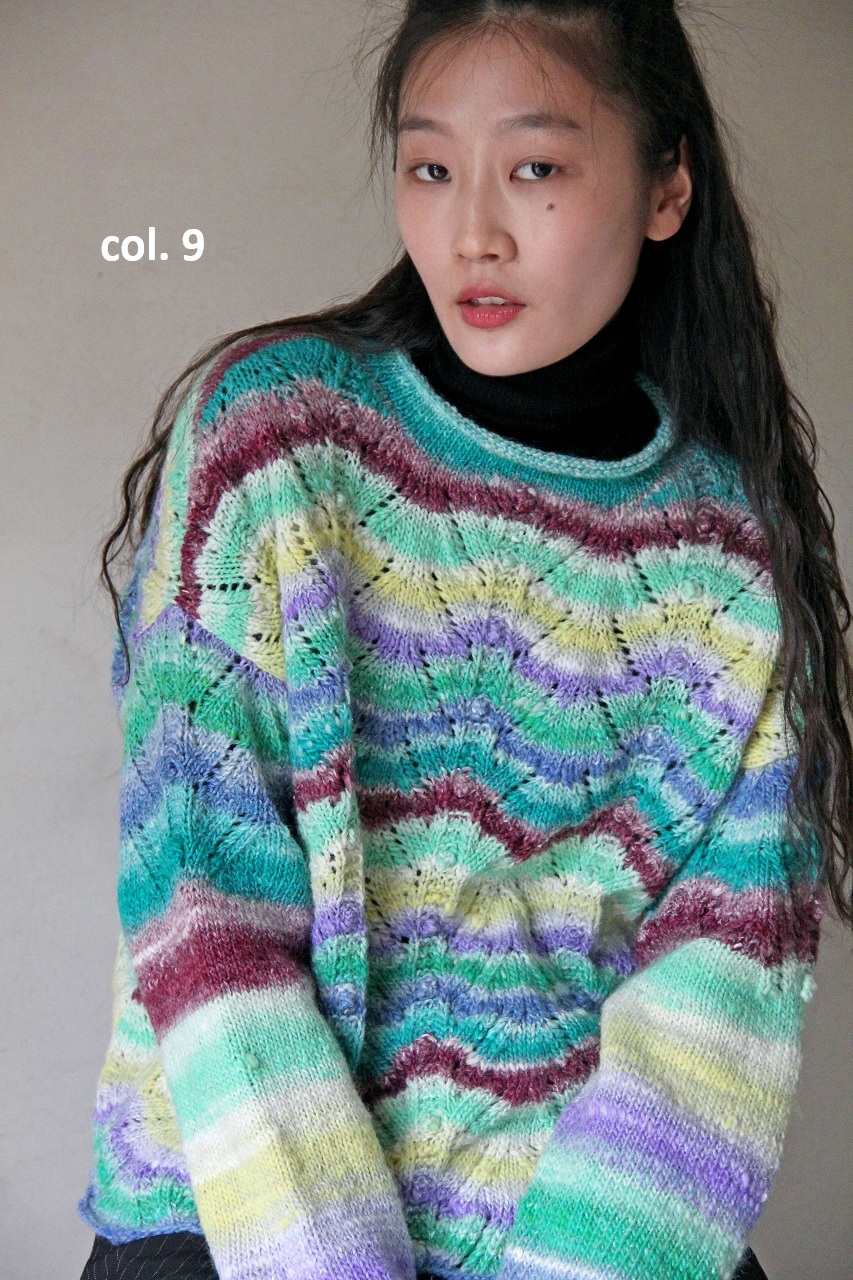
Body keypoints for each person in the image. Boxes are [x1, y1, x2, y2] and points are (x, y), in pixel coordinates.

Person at [77, 2, 852, 1278]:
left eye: (534, 166)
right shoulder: (273, 440)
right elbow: (199, 898)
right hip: (235, 1202)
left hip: (583, 1223)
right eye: (430, 167)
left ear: (667, 188)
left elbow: (719, 993)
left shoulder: (726, 557)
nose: (471, 231)